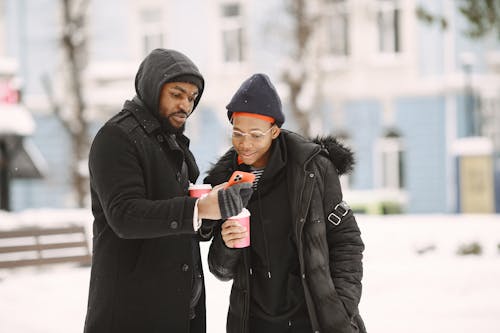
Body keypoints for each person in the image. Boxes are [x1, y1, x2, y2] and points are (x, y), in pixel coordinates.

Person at [83, 48, 252, 333]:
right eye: (177, 94)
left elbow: (175, 221)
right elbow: (125, 215)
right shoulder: (116, 137)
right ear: (152, 87)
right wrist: (198, 209)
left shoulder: (171, 143)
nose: (186, 105)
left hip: (178, 312)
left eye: (192, 98)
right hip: (131, 314)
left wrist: (213, 210)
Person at [205, 73, 366, 333]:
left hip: (313, 320)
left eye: (256, 135)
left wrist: (340, 306)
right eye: (237, 133)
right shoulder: (225, 182)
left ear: (275, 131)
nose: (245, 144)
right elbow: (221, 269)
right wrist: (227, 244)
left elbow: (346, 240)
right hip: (253, 323)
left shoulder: (311, 170)